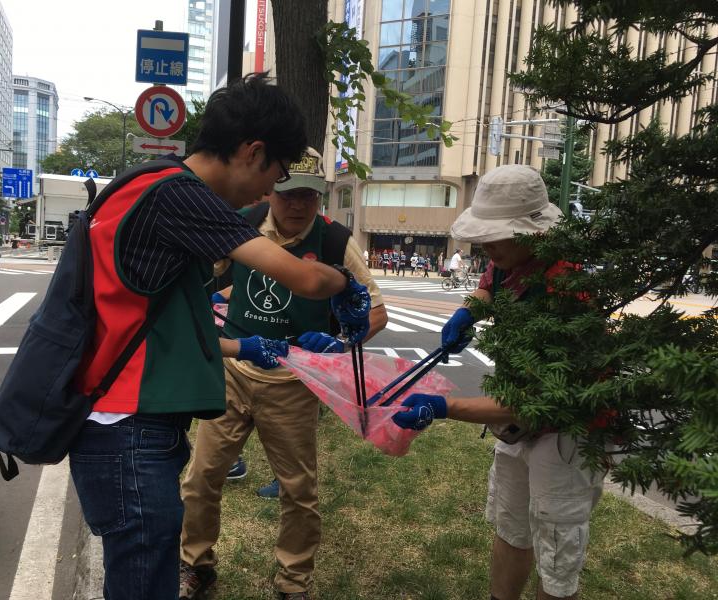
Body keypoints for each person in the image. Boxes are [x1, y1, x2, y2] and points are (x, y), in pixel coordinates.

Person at [68, 74, 371, 600]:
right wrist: (343, 287)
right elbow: (303, 277)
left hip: (135, 416)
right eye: (275, 178)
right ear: (253, 153)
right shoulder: (182, 198)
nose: (271, 195)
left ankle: (286, 579)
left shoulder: (152, 185)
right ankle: (196, 567)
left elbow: (173, 324)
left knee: (147, 561)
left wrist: (303, 342)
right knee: (147, 567)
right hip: (125, 422)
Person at [179, 147, 387, 600]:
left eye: (310, 196)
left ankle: (293, 582)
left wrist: (341, 343)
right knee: (201, 477)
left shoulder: (334, 243)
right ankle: (196, 565)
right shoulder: (243, 222)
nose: (298, 206)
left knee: (299, 490)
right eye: (290, 194)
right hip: (233, 371)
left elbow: (377, 312)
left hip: (295, 383)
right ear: (272, 189)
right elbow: (199, 282)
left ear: (321, 197)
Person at [392, 165, 604, 600]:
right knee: (511, 523)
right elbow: (488, 286)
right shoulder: (507, 261)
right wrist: (469, 310)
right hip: (517, 428)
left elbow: (532, 403)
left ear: (531, 231)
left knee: (557, 549)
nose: (485, 245)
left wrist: (443, 407)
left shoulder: (567, 289)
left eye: (495, 234)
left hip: (566, 433)